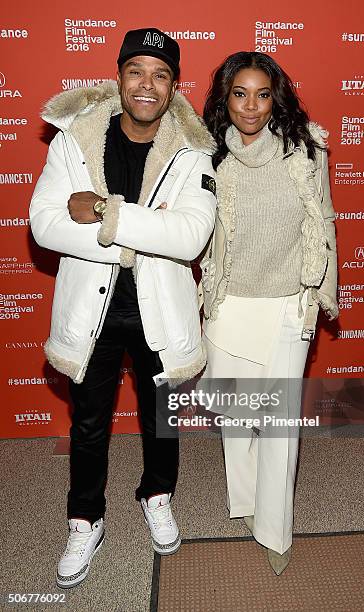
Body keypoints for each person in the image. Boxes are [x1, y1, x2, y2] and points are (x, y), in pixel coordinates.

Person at [29, 27, 216, 588]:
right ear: (119, 75)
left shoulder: (195, 151)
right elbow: (45, 224)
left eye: (160, 75)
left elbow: (189, 238)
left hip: (161, 310)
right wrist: (144, 231)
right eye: (136, 70)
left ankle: (157, 495)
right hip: (93, 310)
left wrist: (107, 216)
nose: (146, 84)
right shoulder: (74, 138)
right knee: (88, 424)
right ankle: (85, 519)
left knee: (161, 422)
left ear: (174, 86)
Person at [200, 51, 338, 575]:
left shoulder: (306, 150)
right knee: (237, 417)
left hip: (286, 303)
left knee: (278, 423)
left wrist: (320, 294)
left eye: (262, 94)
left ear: (276, 97)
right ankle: (247, 501)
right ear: (225, 99)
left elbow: (323, 223)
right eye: (240, 94)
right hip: (228, 303)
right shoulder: (209, 154)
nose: (251, 106)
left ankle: (275, 527)